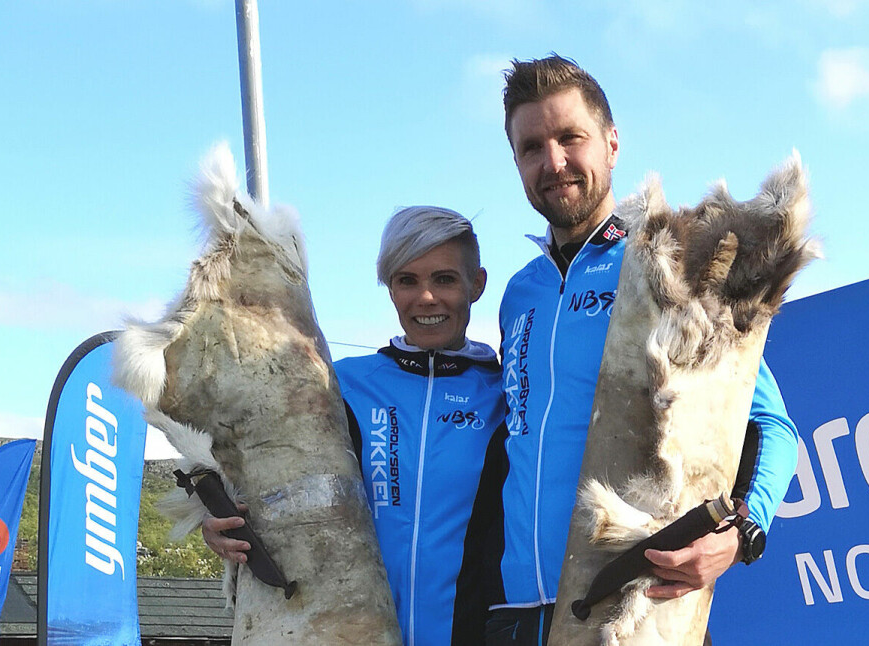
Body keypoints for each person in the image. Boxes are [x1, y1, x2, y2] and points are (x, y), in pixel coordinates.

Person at [484, 55, 799, 644]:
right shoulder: (517, 294)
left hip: (629, 608)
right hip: (519, 614)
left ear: (611, 143)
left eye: (569, 137)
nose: (553, 162)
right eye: (531, 147)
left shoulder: (669, 261)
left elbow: (774, 427)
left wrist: (740, 534)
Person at [204, 206, 507, 646]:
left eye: (444, 279)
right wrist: (217, 520)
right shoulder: (337, 383)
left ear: (476, 284)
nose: (426, 298)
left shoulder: (508, 394)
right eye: (407, 280)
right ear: (389, 288)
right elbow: (256, 474)